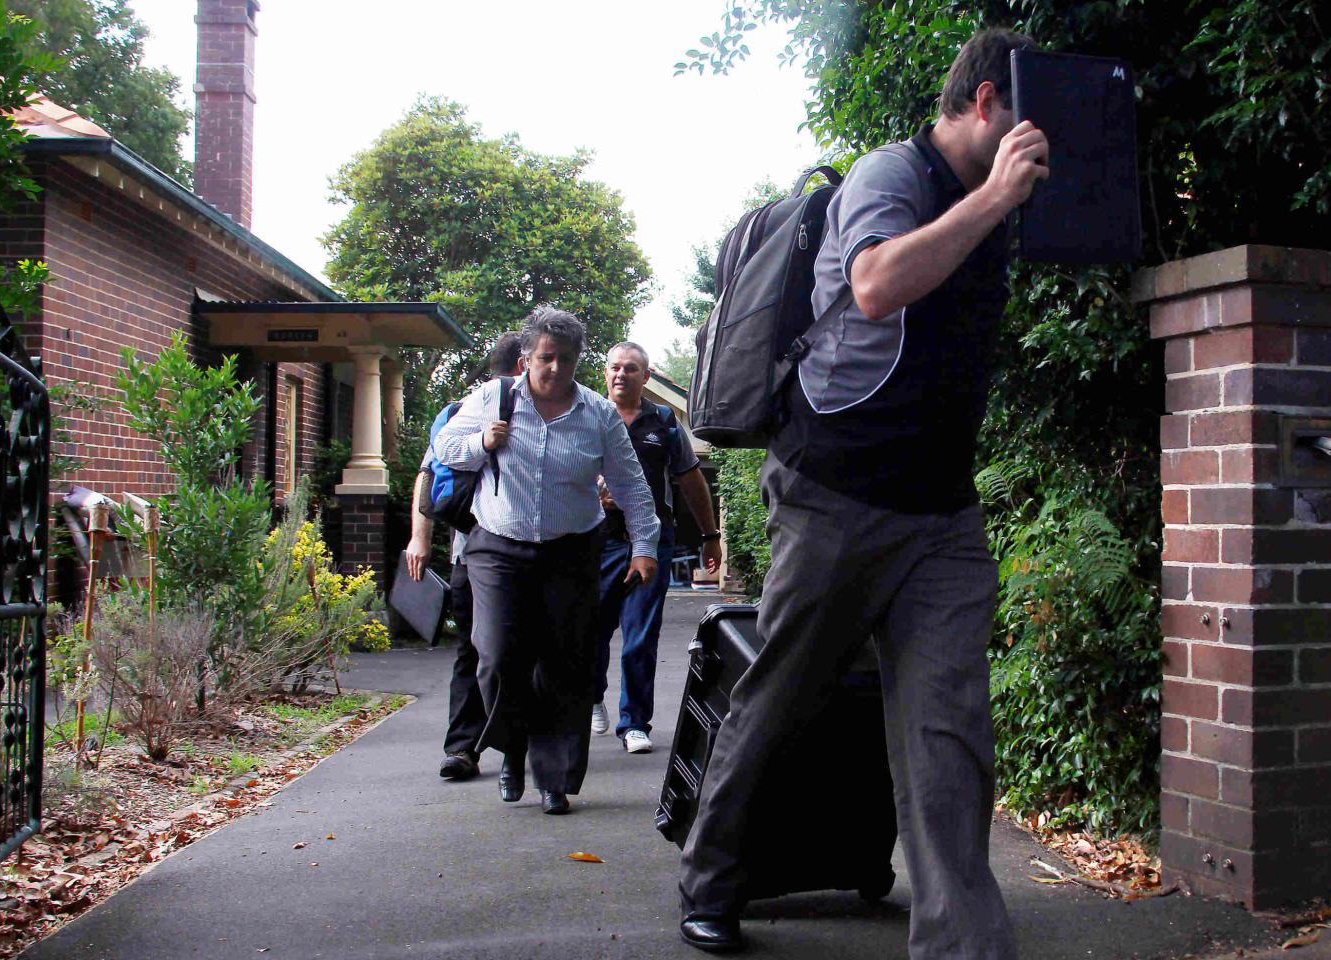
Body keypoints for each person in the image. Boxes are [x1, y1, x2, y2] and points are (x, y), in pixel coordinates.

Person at [676, 28, 1047, 957]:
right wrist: (995, 199)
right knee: (782, 694)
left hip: (940, 514)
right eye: (1028, 111)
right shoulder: (891, 174)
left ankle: (963, 946)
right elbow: (876, 284)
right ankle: (712, 876)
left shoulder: (1000, 199)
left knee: (949, 731)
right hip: (832, 494)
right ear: (986, 102)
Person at [433, 306, 660, 816]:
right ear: (526, 358)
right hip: (498, 546)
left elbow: (631, 485)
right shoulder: (494, 398)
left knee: (565, 663)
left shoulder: (598, 413)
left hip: (571, 550)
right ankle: (513, 749)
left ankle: (553, 778)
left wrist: (644, 546)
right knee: (496, 656)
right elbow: (445, 448)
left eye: (567, 359)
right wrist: (482, 441)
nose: (556, 368)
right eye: (546, 357)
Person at [590, 342, 722, 754]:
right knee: (590, 631)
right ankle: (592, 695)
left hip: (651, 542)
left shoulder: (663, 422)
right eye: (615, 367)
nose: (621, 374)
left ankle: (634, 722)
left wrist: (710, 535)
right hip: (597, 542)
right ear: (605, 372)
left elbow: (691, 479)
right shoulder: (588, 417)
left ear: (645, 376)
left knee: (640, 635)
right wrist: (594, 496)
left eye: (631, 368)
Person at [404, 331, 525, 783]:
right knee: (475, 648)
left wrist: (419, 539)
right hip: (474, 552)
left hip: (506, 554)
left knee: (485, 650)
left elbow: (423, 477)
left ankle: (482, 745)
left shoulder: (544, 411)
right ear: (523, 365)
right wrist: (419, 539)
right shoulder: (465, 412)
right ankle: (464, 746)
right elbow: (429, 473)